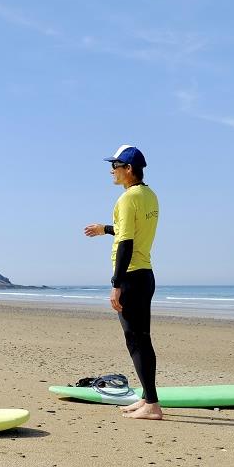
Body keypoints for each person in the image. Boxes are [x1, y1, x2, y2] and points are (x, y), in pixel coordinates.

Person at [84, 145, 162, 420]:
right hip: (145, 275)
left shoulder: (127, 199)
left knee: (136, 341)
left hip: (130, 277)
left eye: (115, 166)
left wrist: (116, 284)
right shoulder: (149, 196)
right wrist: (104, 229)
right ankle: (147, 398)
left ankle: (152, 405)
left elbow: (126, 242)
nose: (111, 171)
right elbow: (128, 229)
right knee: (142, 339)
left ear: (128, 169)